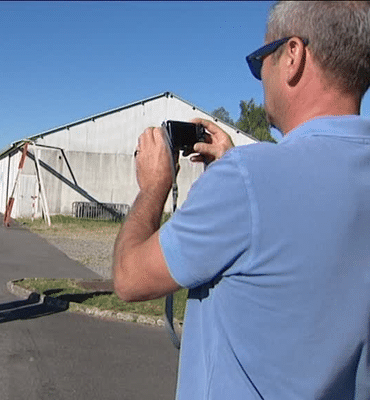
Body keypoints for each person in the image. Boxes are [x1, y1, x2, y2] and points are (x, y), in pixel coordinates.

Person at [113, 1, 370, 398]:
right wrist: (235, 164)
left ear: (292, 56)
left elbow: (129, 278)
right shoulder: (249, 177)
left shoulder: (246, 179)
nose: (259, 77)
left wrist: (153, 188)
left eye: (259, 61)